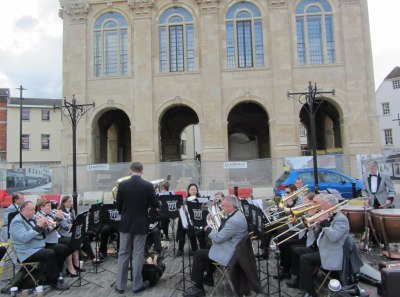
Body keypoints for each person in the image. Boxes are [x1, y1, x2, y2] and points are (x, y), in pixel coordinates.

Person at [183, 195, 248, 297]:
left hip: (230, 255)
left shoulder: (234, 220)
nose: (221, 208)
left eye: (223, 206)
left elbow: (217, 238)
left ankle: (198, 288)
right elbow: (225, 233)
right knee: (208, 247)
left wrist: (208, 228)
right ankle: (209, 277)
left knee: (198, 254)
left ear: (231, 206)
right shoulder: (237, 214)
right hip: (234, 248)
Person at [287, 194, 349, 297]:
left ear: (330, 206)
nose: (321, 208)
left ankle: (310, 292)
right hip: (321, 247)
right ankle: (298, 280)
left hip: (331, 252)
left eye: (323, 205)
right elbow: (317, 235)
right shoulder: (328, 214)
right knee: (296, 250)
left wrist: (324, 222)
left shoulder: (341, 219)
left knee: (305, 259)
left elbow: (334, 237)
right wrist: (317, 226)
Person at [115, 162, 160, 294]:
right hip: (141, 223)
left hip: (125, 223)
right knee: (138, 254)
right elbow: (155, 204)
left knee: (123, 253)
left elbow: (118, 207)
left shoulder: (122, 185)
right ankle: (136, 285)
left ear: (131, 170)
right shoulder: (147, 185)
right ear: (142, 171)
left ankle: (120, 286)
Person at [9, 201, 69, 290]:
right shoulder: (17, 222)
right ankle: (54, 281)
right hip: (26, 251)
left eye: (34, 209)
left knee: (62, 248)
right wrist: (38, 226)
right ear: (24, 210)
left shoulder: (31, 218)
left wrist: (45, 226)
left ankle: (55, 274)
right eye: (32, 210)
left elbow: (39, 233)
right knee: (49, 253)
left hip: (37, 246)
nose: (34, 212)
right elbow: (24, 238)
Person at [58, 195, 101, 270]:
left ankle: (91, 257)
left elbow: (75, 220)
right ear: (64, 203)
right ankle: (85, 258)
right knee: (82, 237)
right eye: (68, 201)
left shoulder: (72, 210)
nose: (71, 203)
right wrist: (74, 226)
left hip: (73, 231)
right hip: (66, 233)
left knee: (88, 235)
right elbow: (65, 226)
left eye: (71, 201)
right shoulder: (61, 212)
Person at [35, 198, 76, 277]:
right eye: (48, 206)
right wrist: (57, 219)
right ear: (41, 207)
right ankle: (59, 271)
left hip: (55, 239)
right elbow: (49, 229)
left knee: (71, 244)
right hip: (48, 241)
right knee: (65, 248)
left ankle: (63, 268)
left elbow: (58, 225)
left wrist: (61, 218)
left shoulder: (49, 214)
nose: (50, 208)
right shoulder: (39, 216)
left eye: (50, 205)